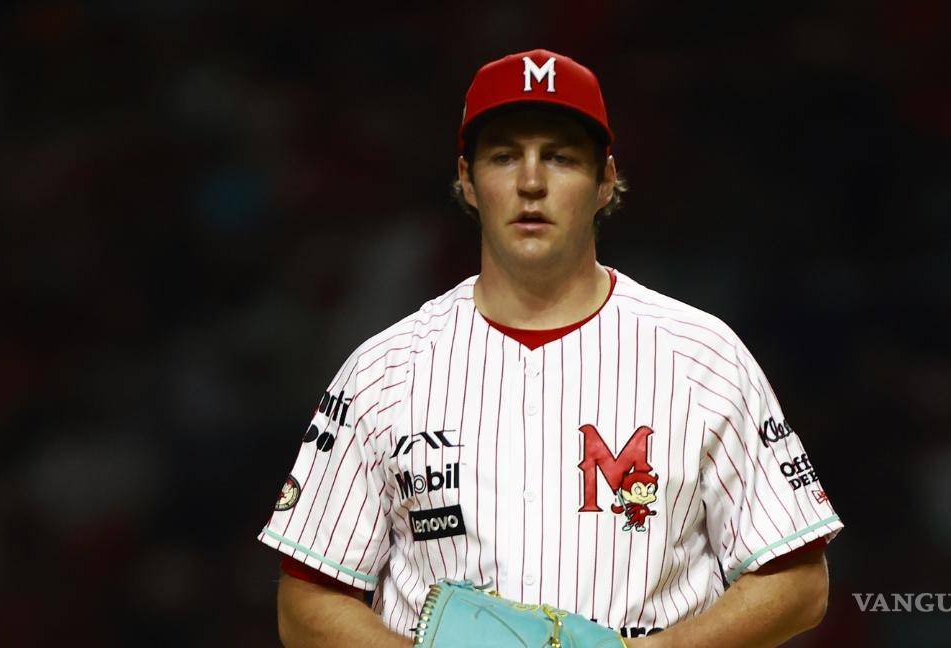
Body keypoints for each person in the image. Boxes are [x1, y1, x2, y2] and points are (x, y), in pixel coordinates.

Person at [259, 49, 843, 647]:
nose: (531, 183)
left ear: (605, 180)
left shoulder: (702, 358)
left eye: (560, 158)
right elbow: (306, 602)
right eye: (504, 156)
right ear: (467, 179)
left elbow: (799, 582)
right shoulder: (384, 370)